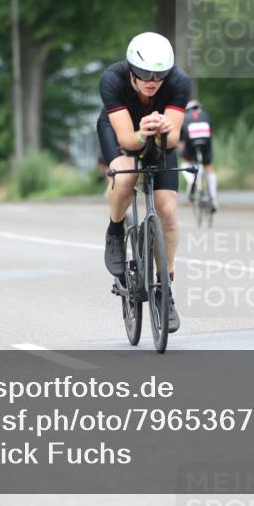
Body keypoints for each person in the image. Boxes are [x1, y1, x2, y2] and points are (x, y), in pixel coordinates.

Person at [97, 32, 190, 332]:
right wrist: (142, 132)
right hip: (122, 131)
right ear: (131, 70)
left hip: (159, 136)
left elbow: (173, 140)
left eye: (159, 75)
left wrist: (163, 131)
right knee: (125, 175)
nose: (152, 81)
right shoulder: (112, 80)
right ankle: (115, 230)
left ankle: (165, 287)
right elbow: (126, 139)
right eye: (145, 73)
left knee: (168, 210)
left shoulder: (179, 82)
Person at [179, 100, 218, 210]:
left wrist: (182, 153)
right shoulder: (207, 115)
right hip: (205, 142)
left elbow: (181, 140)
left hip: (191, 142)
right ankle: (213, 198)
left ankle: (193, 181)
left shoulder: (185, 117)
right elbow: (210, 133)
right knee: (209, 167)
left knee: (185, 163)